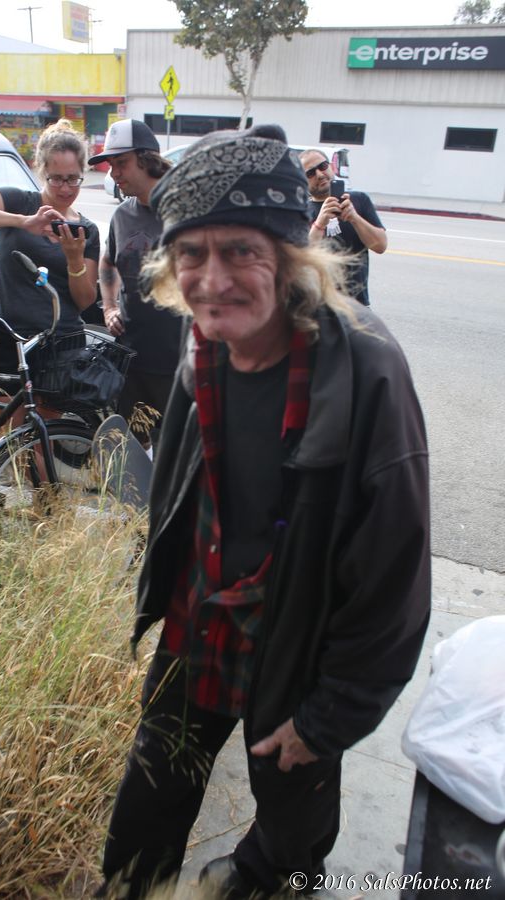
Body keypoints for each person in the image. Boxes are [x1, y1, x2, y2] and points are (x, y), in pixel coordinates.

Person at [94, 125, 430, 900]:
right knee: (144, 815)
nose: (212, 280)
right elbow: (180, 490)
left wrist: (329, 719)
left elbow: (394, 579)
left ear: (289, 257)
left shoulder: (366, 369)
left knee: (289, 837)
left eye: (240, 250)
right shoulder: (201, 346)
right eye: (191, 254)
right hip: (199, 627)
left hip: (300, 654)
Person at [0, 118, 100, 374]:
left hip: (64, 343)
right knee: (7, 400)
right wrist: (22, 221)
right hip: (11, 339)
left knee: (54, 404)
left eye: (73, 179)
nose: (65, 188)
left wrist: (74, 260)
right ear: (42, 172)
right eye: (56, 179)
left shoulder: (86, 230)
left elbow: (84, 301)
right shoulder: (18, 202)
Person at [89, 119, 182, 439]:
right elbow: (108, 261)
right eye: (111, 164)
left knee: (175, 450)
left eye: (121, 163)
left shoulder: (183, 212)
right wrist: (109, 307)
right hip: (131, 357)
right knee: (132, 445)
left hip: (178, 361)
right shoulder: (122, 214)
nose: (114, 173)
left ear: (147, 160)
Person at [300, 148, 387, 306]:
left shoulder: (359, 200)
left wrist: (355, 218)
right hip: (317, 306)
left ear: (331, 167)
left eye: (322, 166)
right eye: (310, 173)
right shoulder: (300, 212)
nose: (320, 174)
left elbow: (380, 246)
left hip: (357, 305)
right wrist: (319, 224)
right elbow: (300, 260)